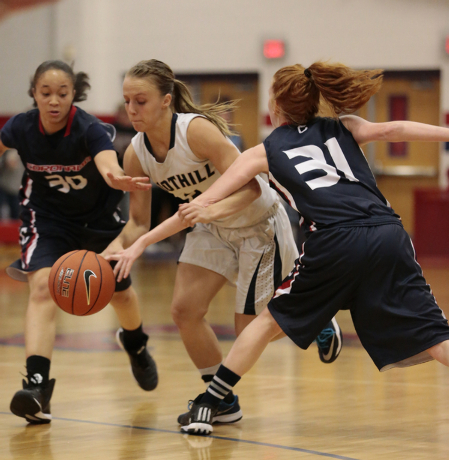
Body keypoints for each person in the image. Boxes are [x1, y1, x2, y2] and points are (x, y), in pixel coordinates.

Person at [173, 61, 449, 435]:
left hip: (335, 238)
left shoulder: (263, 151)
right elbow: (394, 128)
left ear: (275, 105)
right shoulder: (346, 126)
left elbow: (210, 197)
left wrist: (187, 213)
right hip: (388, 233)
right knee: (436, 335)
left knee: (269, 320)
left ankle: (208, 404)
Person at [104, 59, 343, 428]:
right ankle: (223, 400)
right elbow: (138, 222)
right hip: (210, 228)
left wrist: (210, 211)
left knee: (249, 333)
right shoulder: (135, 153)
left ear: (166, 100)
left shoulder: (196, 132)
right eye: (127, 101)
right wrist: (113, 250)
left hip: (257, 224)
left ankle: (315, 318)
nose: (132, 110)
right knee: (185, 311)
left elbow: (252, 186)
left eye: (141, 101)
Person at [0, 60, 158, 425]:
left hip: (98, 222)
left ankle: (135, 344)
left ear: (74, 95)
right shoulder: (21, 127)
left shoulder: (89, 129)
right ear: (34, 95)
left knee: (119, 293)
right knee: (41, 289)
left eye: (62, 93)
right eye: (46, 93)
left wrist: (116, 177)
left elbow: (107, 162)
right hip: (48, 220)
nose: (54, 100)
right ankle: (37, 386)